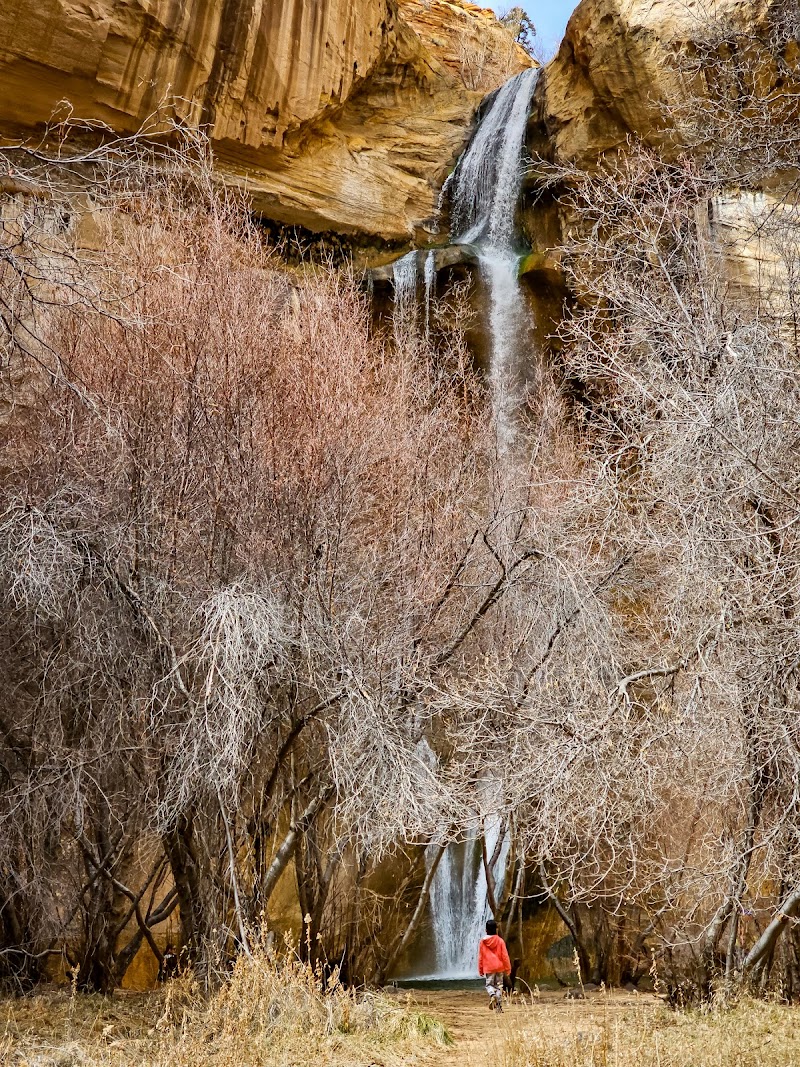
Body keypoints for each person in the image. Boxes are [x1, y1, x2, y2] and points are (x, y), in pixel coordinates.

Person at [478, 918, 511, 1012]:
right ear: (496, 929)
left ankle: (492, 995)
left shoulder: (482, 942)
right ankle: (499, 1007)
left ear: (486, 930)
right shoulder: (500, 941)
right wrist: (508, 968)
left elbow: (481, 957)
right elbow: (505, 956)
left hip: (488, 968)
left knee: (489, 985)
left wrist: (480, 969)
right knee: (499, 986)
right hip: (499, 967)